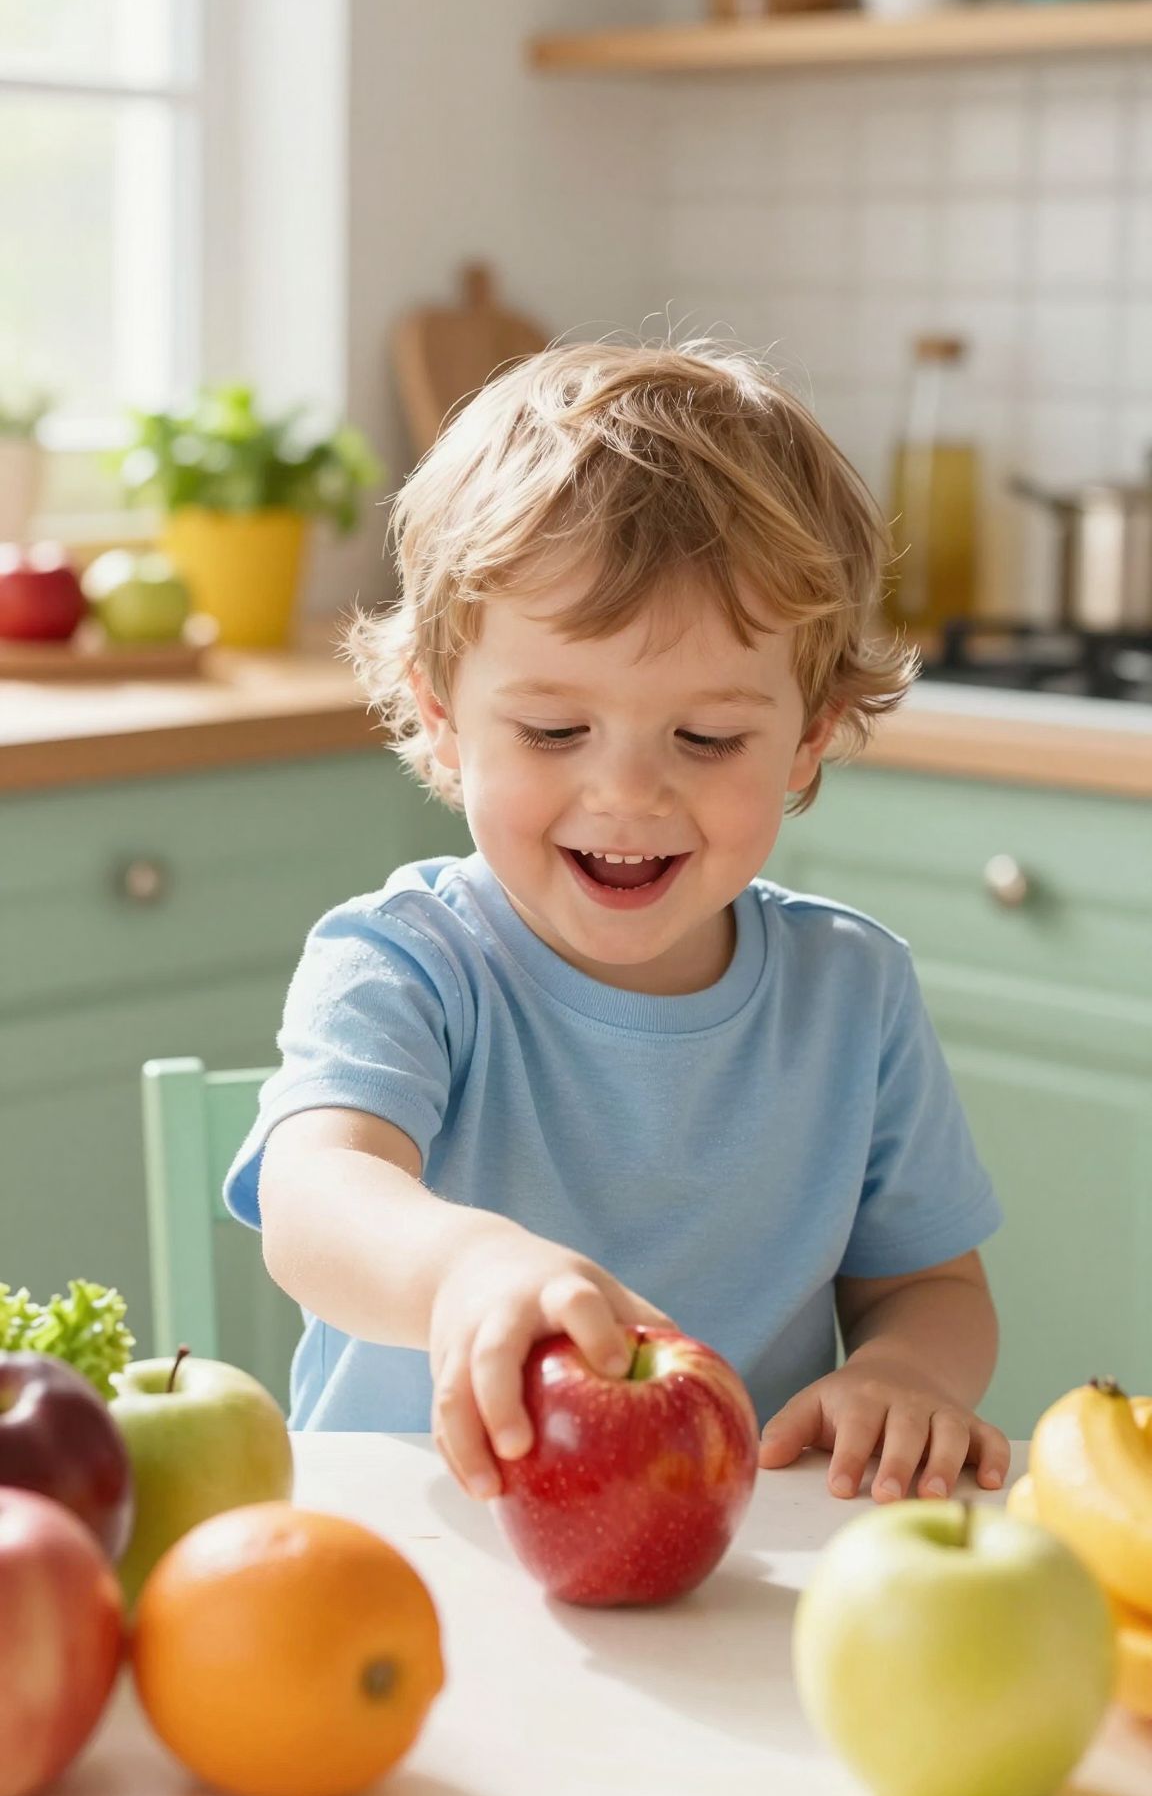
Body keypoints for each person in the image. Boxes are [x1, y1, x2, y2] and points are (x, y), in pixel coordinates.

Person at [224, 337, 1010, 1508]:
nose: (630, 796)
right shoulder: (403, 959)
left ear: (807, 735)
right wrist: (464, 1266)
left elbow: (932, 1285)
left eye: (706, 739)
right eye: (553, 732)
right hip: (417, 1554)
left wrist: (902, 1374)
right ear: (444, 722)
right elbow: (313, 1201)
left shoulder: (854, 990)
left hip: (737, 1568)